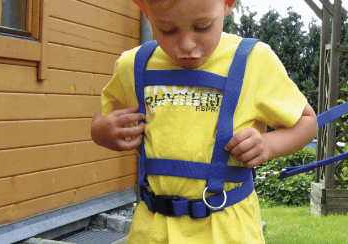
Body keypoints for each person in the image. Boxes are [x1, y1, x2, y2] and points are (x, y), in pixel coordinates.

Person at [90, 0, 317, 242]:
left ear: (226, 5)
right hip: (153, 231)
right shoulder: (133, 65)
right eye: (168, 30)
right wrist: (102, 132)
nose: (186, 45)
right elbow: (102, 118)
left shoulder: (253, 60)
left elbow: (306, 121)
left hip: (228, 231)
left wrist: (268, 144)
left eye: (202, 27)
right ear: (146, 12)